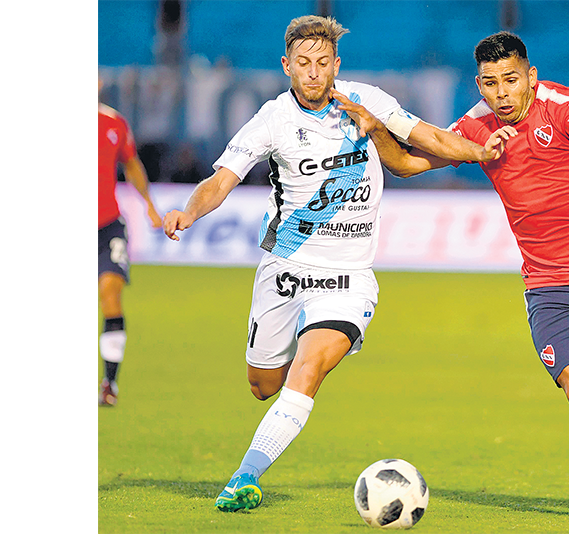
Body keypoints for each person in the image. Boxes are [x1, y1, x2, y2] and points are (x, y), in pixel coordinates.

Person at [161, 16, 515, 513]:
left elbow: (425, 135)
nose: (313, 73)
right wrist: (188, 212)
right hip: (284, 271)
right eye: (303, 64)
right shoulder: (271, 119)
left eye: (322, 63)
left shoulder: (365, 100)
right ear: (287, 66)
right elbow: (221, 180)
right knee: (264, 385)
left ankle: (245, 476)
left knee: (309, 368)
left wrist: (480, 150)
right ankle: (283, 409)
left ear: (336, 65)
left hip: (348, 278)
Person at [334, 31, 569, 524]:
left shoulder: (563, 108)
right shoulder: (477, 127)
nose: (501, 93)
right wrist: (376, 129)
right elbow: (409, 163)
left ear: (530, 77)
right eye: (489, 83)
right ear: (478, 85)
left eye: (510, 80)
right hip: (550, 287)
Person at [98, 84, 163, 406]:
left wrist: (149, 204)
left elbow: (132, 164)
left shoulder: (113, 123)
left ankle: (110, 382)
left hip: (107, 226)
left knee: (110, 292)